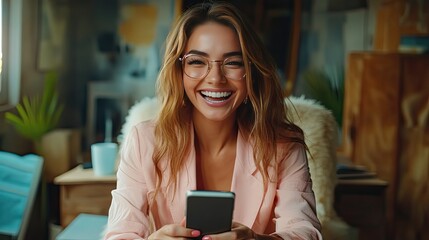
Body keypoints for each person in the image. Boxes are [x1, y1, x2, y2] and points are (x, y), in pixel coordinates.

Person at [105, 1, 322, 240]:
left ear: (251, 71)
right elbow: (119, 234)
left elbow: (305, 231)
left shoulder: (284, 144)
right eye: (197, 62)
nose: (215, 78)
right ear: (179, 71)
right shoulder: (144, 141)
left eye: (233, 62)